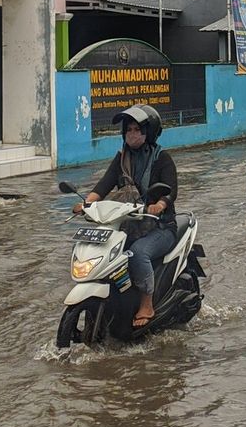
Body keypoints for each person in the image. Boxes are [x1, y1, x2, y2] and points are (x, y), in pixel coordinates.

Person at [74, 105, 177, 329]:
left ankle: (147, 304)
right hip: (130, 224)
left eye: (137, 129)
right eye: (128, 129)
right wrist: (87, 203)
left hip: (161, 227)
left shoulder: (162, 158)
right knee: (106, 250)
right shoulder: (122, 157)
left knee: (138, 253)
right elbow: (105, 183)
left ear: (149, 132)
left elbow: (171, 190)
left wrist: (159, 204)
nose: (132, 133)